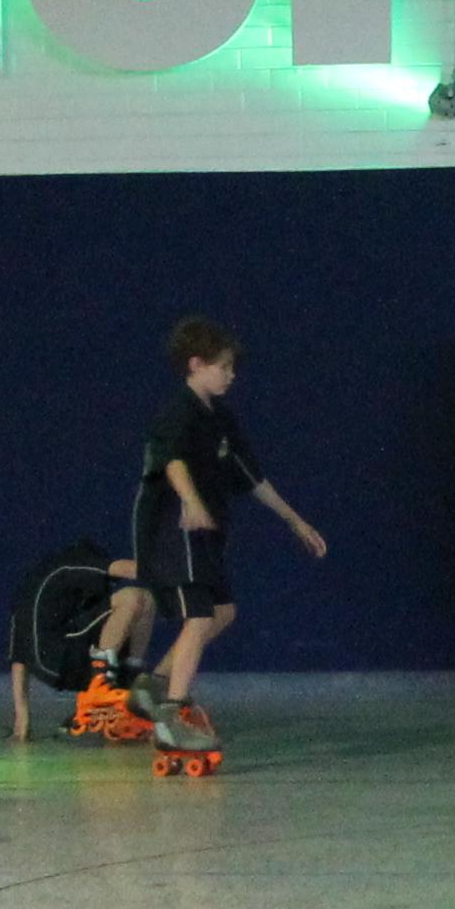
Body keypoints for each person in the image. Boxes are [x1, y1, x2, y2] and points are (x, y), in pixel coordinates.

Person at [93, 319, 328, 777]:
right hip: (171, 531)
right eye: (223, 367)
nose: (231, 376)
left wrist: (294, 520)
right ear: (196, 364)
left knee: (223, 611)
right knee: (199, 616)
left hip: (202, 534)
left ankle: (153, 687)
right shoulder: (176, 412)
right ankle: (171, 721)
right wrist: (192, 500)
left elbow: (252, 477)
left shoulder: (220, 420)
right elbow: (172, 462)